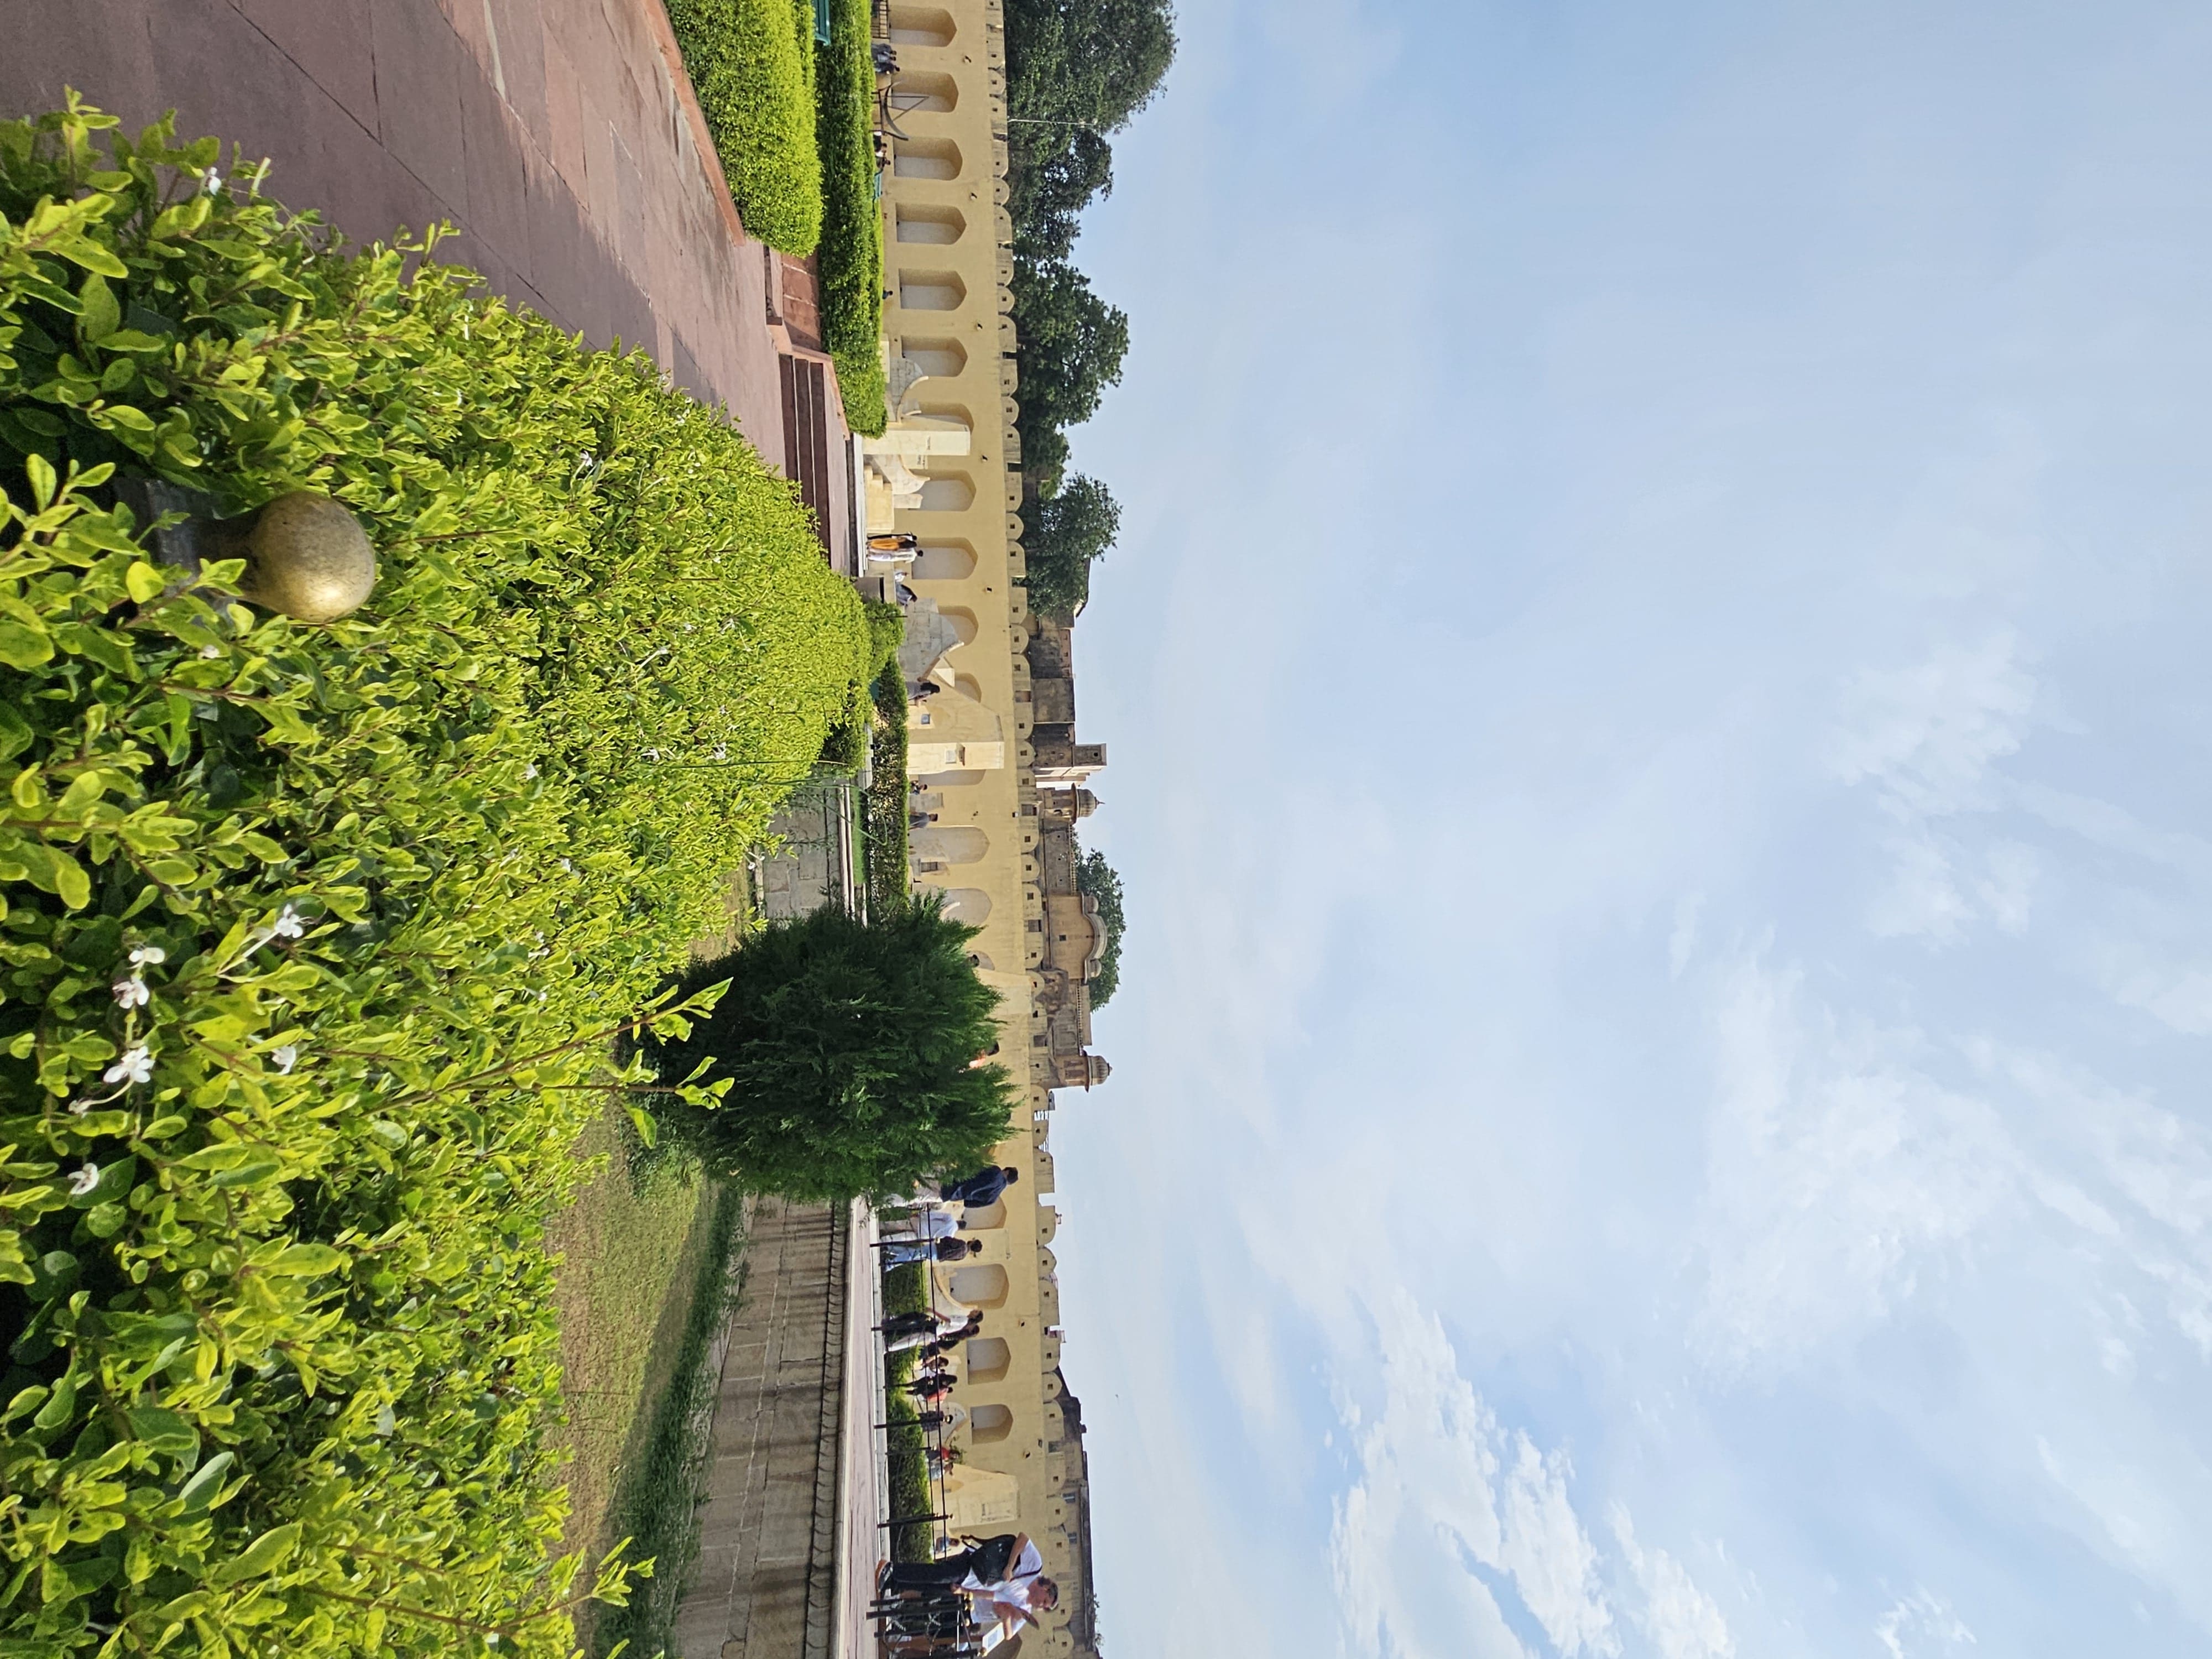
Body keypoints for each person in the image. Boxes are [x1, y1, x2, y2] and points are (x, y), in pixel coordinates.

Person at [913, 1166, 1019, 1208]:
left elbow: (973, 1168)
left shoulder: (996, 1172)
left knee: (921, 1172)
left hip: (951, 1179)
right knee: (917, 1196)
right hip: (951, 1195)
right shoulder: (993, 1199)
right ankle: (896, 1198)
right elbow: (968, 1204)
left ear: (1007, 1171)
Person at [879, 1237, 984, 1268]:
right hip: (937, 1257)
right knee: (913, 1253)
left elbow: (949, 1240)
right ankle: (889, 1248)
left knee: (912, 1255)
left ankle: (889, 1265)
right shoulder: (963, 1256)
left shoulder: (962, 1244)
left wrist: (941, 1240)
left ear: (973, 1243)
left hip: (936, 1249)